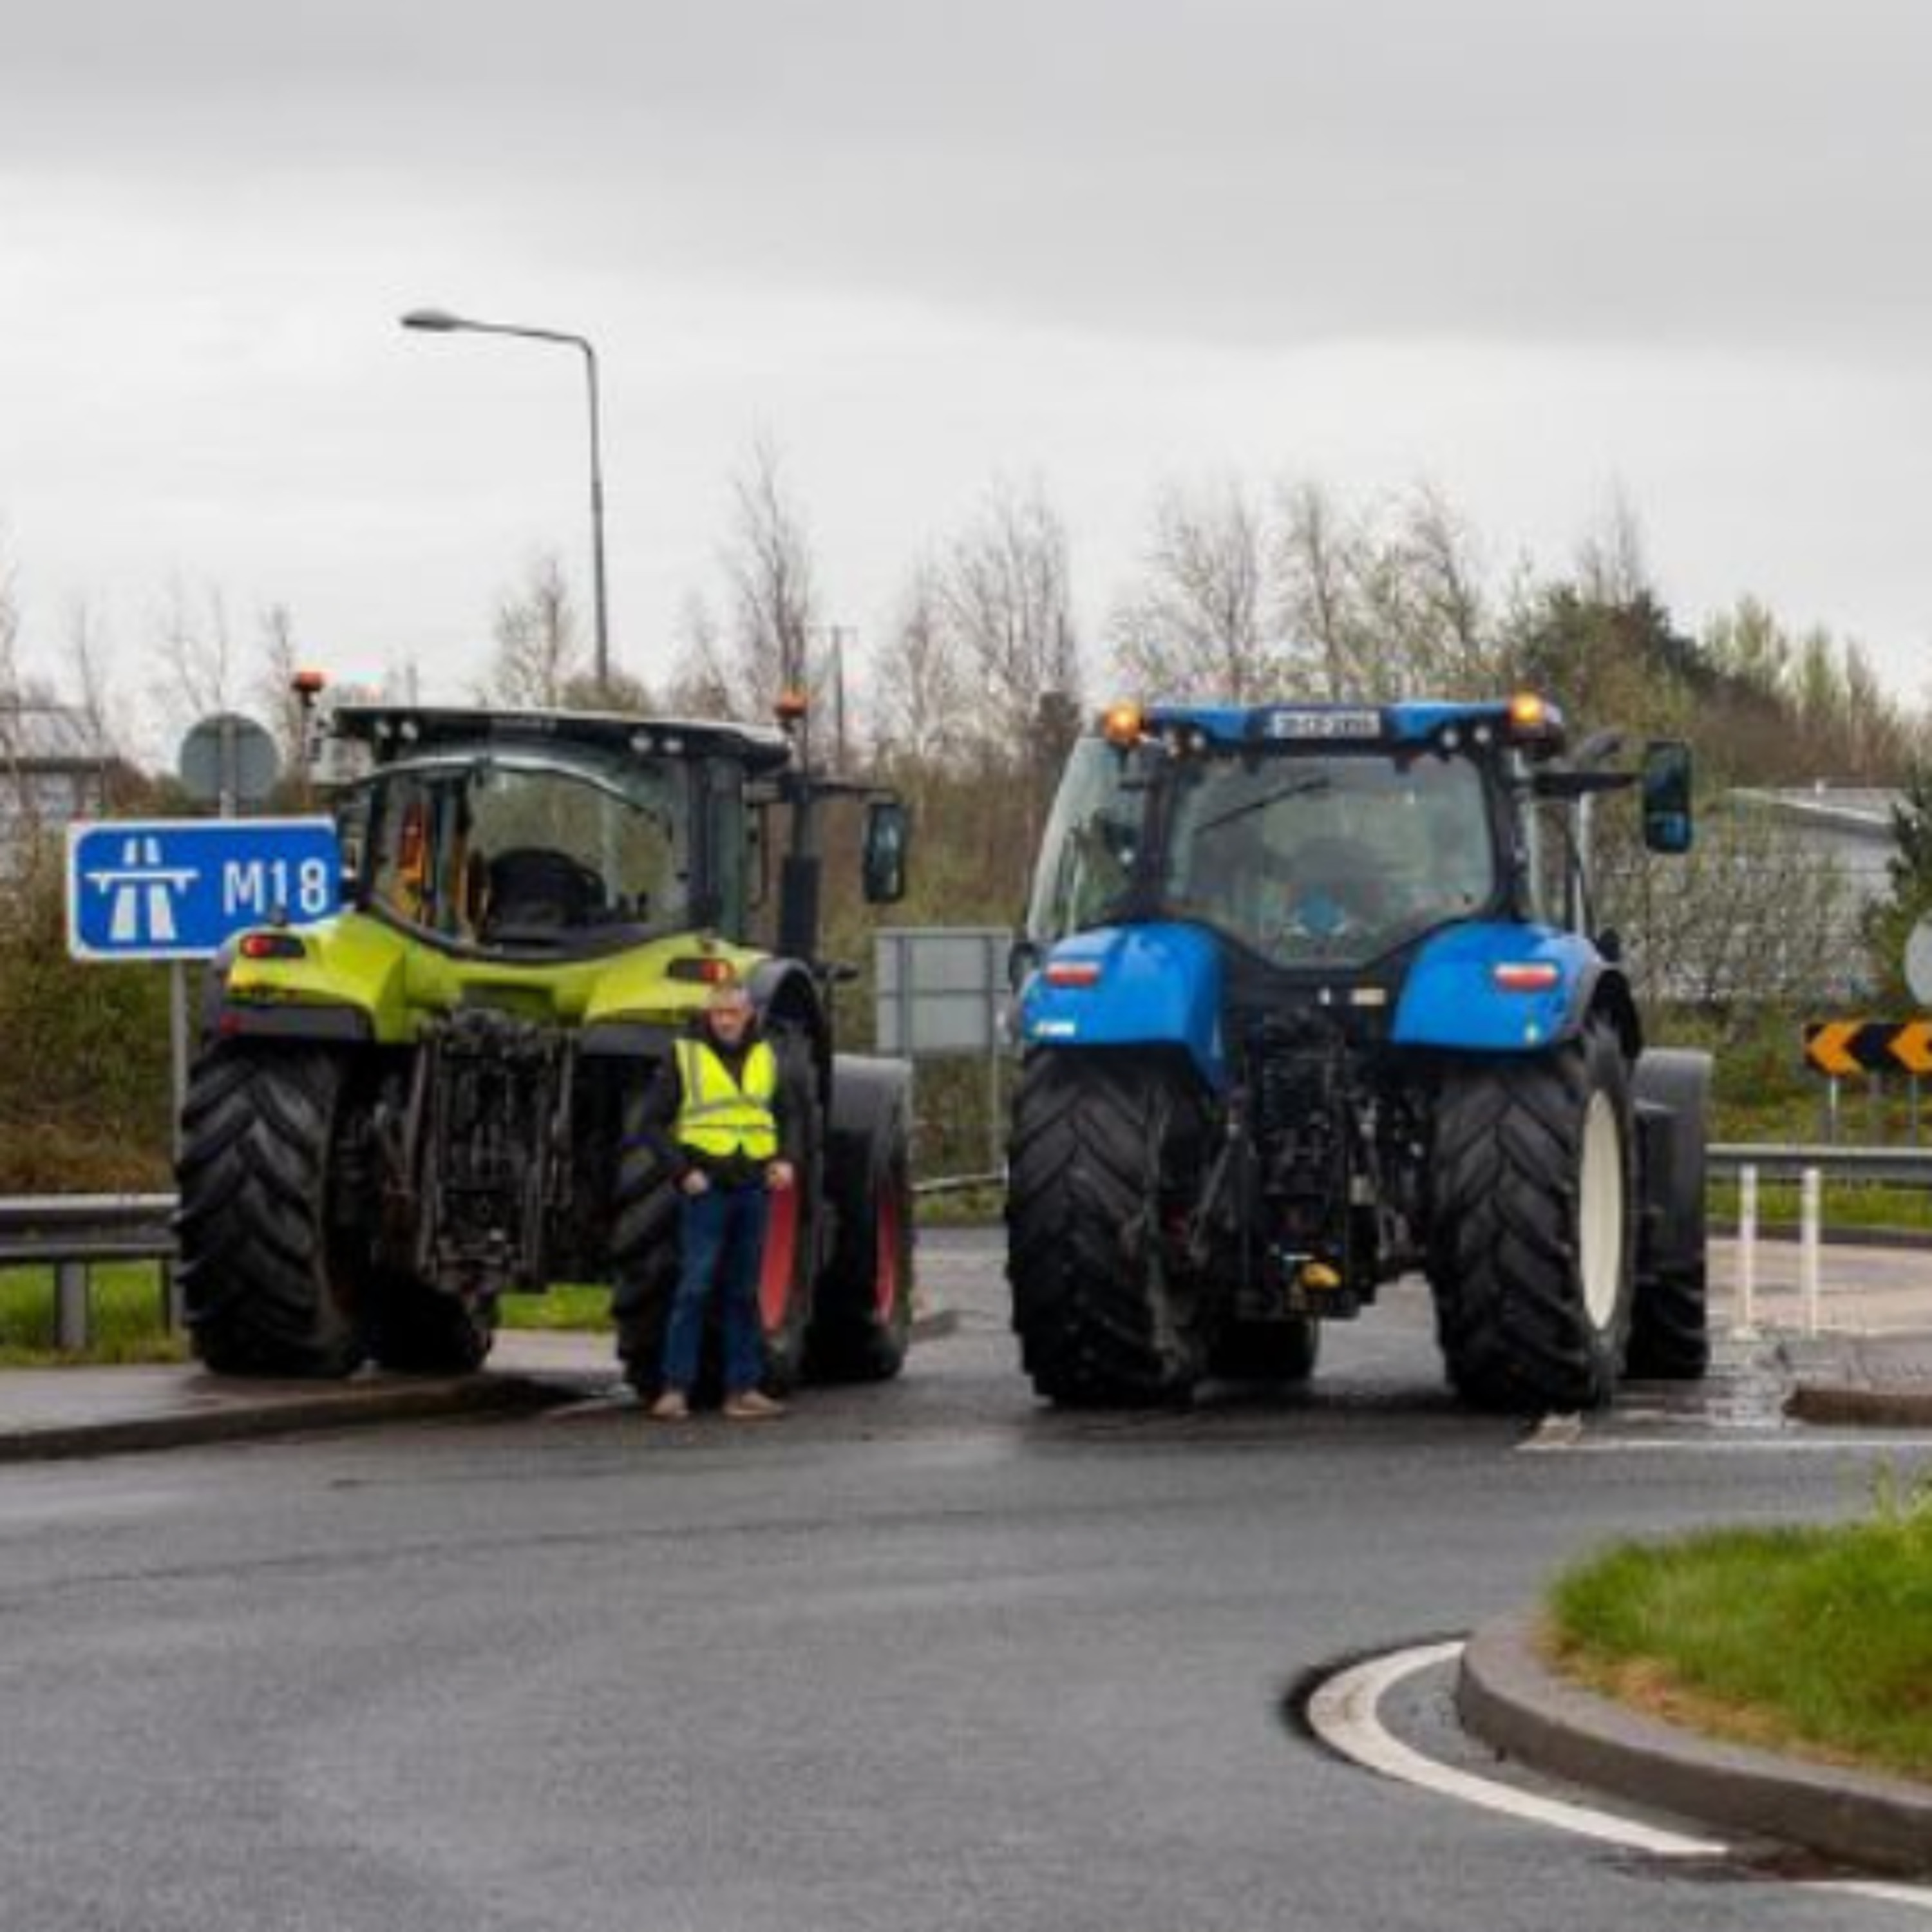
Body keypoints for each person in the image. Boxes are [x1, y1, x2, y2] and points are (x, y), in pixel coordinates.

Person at [640, 980, 798, 1421]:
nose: (725, 1021)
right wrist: (683, 1173)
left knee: (744, 1293)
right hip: (707, 1190)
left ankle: (742, 1390)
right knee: (694, 1288)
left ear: (749, 1015)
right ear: (709, 1015)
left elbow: (785, 1114)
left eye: (733, 1013)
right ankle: (675, 1389)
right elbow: (651, 1124)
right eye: (718, 1013)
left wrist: (785, 1159)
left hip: (752, 1189)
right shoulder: (685, 1056)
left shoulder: (767, 1057)